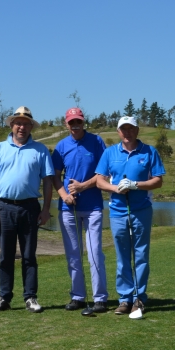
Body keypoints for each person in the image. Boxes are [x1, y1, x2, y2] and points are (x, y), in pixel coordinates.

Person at [0, 106, 54, 314]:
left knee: (29, 256)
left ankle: (30, 297)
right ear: (12, 125)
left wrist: (46, 209)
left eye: (25, 124)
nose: (21, 127)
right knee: (5, 255)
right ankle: (4, 297)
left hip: (31, 207)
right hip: (5, 207)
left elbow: (48, 182)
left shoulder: (40, 150)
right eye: (18, 123)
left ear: (31, 126)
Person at [96, 115, 165, 317]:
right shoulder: (110, 153)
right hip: (117, 211)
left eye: (131, 128)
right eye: (123, 129)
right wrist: (115, 188)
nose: (127, 132)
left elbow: (158, 181)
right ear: (118, 132)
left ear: (137, 130)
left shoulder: (149, 152)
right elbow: (100, 180)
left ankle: (139, 298)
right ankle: (125, 299)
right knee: (122, 256)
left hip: (141, 210)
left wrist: (136, 185)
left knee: (141, 255)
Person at [51, 107, 109, 313]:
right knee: (73, 255)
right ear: (66, 124)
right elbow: (55, 176)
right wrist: (64, 195)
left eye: (79, 122)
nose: (75, 126)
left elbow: (105, 173)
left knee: (94, 253)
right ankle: (78, 297)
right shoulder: (61, 146)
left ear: (83, 122)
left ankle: (100, 298)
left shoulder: (96, 142)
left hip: (93, 207)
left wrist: (84, 186)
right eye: (71, 122)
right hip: (68, 208)